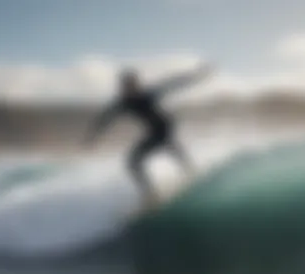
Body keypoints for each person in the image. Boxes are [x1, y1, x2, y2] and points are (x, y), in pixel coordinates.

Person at [85, 62, 215, 208]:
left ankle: (191, 174)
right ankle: (151, 193)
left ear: (137, 84)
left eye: (133, 84)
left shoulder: (148, 94)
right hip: (154, 132)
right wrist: (93, 137)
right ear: (122, 87)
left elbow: (174, 84)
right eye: (126, 85)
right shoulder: (123, 103)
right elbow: (106, 118)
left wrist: (198, 75)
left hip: (165, 127)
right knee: (133, 162)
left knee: (170, 147)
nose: (130, 88)